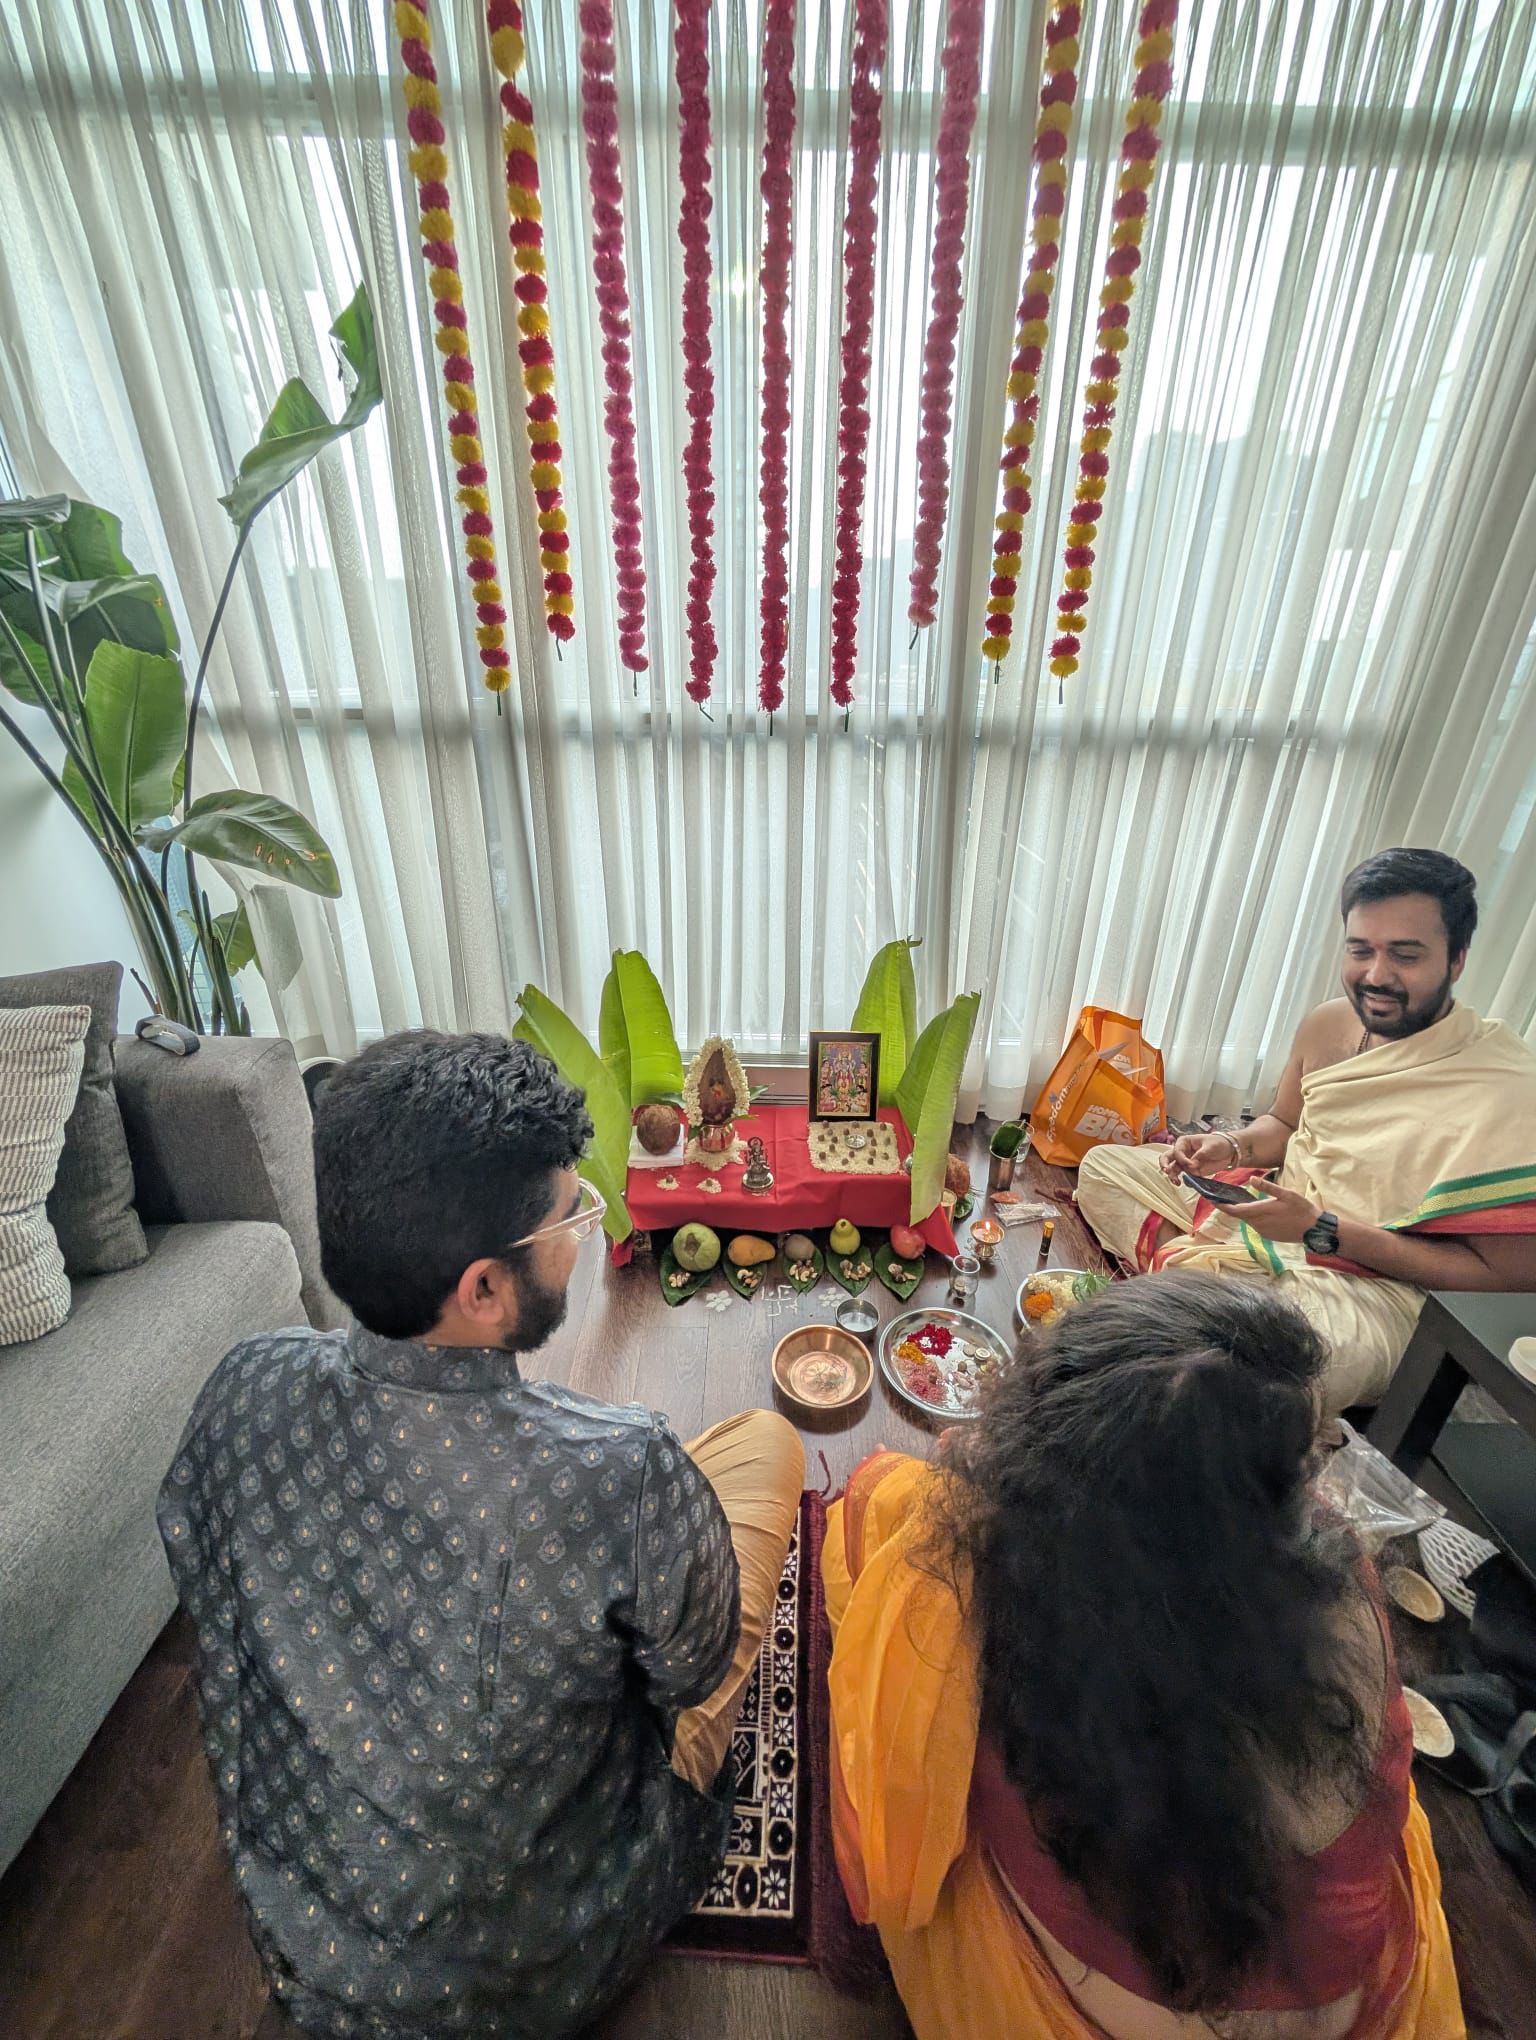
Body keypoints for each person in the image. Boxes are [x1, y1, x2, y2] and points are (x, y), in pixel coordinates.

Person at [158, 1031, 803, 2039]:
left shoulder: (244, 1381)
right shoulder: (618, 1465)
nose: (583, 1232)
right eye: (568, 1214)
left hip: (305, 1947)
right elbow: (688, 1672)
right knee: (765, 1445)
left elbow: (199, 1557)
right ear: (483, 1290)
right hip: (539, 1969)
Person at [824, 1275, 1464, 2040]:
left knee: (892, 1512)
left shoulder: (1000, 1579)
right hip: (1356, 1998)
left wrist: (971, 1496)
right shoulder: (1342, 1576)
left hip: (1064, 2015)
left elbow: (905, 1789)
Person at [1076, 848, 1536, 1411]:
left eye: (1406, 956)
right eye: (1361, 950)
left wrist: (1322, 1230)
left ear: (1457, 958)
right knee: (1104, 1167)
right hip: (1274, 1216)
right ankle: (1203, 1297)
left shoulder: (1509, 1091)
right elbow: (1285, 1124)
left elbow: (1502, 1275)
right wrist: (1228, 1146)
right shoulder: (1329, 1024)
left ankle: (1196, 1301)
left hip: (1371, 1288)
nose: (1376, 975)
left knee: (1265, 1379)